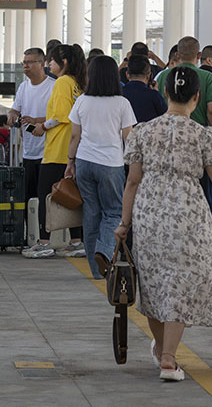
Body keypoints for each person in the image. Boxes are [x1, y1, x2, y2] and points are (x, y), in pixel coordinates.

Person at [116, 66, 212, 381]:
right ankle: (168, 359)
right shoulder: (204, 134)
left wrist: (124, 223)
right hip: (189, 216)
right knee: (181, 284)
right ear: (197, 97)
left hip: (149, 214)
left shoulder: (143, 132)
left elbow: (132, 181)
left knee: (154, 283)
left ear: (164, 92)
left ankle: (162, 349)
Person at [65, 55, 136, 279]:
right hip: (111, 164)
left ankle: (96, 271)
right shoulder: (122, 103)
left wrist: (70, 162)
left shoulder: (82, 101)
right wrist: (135, 164)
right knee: (113, 211)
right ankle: (104, 252)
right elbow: (128, 137)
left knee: (91, 212)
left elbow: (74, 136)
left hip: (84, 162)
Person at [24, 44, 87, 259]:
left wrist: (42, 127)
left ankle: (44, 242)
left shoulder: (62, 82)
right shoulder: (78, 83)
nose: (49, 64)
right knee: (71, 197)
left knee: (46, 196)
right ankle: (77, 241)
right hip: (73, 148)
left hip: (57, 148)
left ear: (64, 62)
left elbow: (60, 116)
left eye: (52, 60)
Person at [156, 37, 212, 226]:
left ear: (177, 54)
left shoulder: (164, 76)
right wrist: (211, 129)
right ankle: (210, 227)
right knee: (203, 188)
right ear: (199, 55)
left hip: (167, 136)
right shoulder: (207, 77)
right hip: (197, 138)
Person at [8, 47, 56, 234]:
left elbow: (60, 116)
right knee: (28, 197)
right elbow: (15, 109)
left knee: (45, 197)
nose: (25, 66)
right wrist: (12, 115)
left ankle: (46, 235)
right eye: (24, 62)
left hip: (48, 152)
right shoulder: (23, 87)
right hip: (28, 151)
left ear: (42, 64)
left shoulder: (53, 86)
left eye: (30, 62)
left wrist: (37, 121)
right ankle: (31, 234)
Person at [122, 54, 167, 123]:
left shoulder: (120, 94)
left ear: (127, 74)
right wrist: (157, 93)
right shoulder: (154, 95)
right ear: (149, 75)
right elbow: (166, 118)